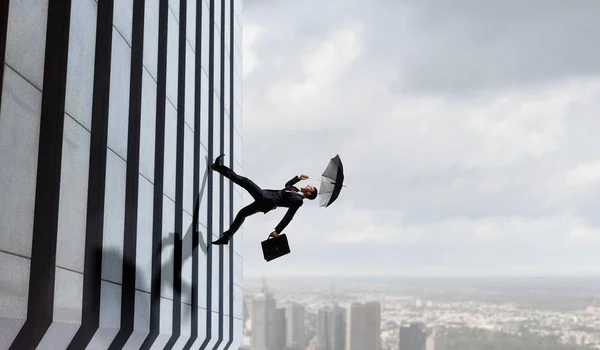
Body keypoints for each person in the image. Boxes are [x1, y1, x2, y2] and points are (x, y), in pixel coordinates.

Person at [210, 154, 318, 245]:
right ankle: (226, 238)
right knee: (242, 213)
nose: (308, 185)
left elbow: (289, 216)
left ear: (309, 193)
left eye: (310, 187)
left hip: (266, 199)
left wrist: (277, 231)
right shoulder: (295, 190)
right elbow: (287, 185)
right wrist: (298, 178)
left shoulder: (298, 200)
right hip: (265, 202)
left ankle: (218, 167)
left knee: (246, 182)